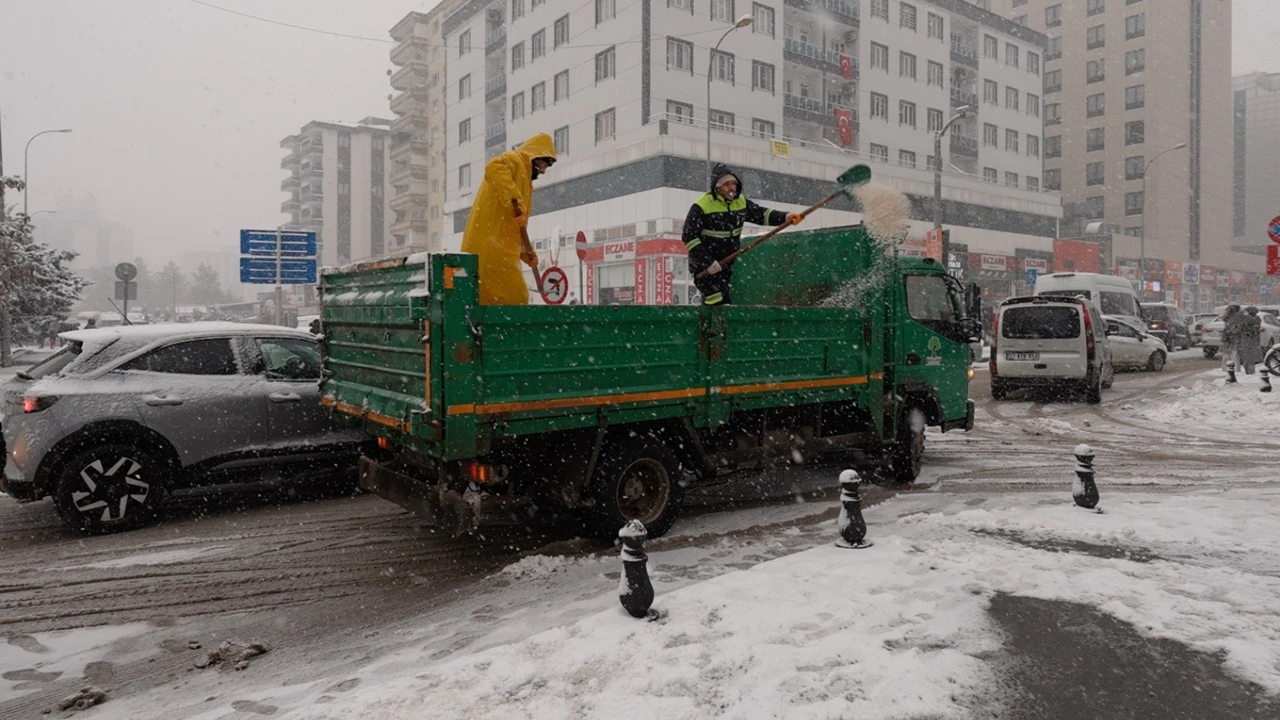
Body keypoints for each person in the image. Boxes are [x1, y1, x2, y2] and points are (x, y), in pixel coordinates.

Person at [683, 163, 802, 306]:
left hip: (726, 263)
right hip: (704, 267)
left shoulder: (741, 202)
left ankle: (714, 325)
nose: (732, 188)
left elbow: (761, 215)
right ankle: (713, 325)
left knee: (722, 300)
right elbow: (689, 237)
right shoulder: (702, 206)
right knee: (717, 299)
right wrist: (708, 262)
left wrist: (785, 217)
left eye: (733, 183)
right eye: (727, 184)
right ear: (717, 187)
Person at [460, 133, 558, 305]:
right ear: (535, 155)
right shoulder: (515, 161)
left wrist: (527, 253)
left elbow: (515, 227)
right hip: (492, 249)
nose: (544, 169)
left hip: (500, 250)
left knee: (504, 301)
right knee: (515, 300)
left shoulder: (524, 181)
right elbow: (493, 167)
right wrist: (515, 201)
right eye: (546, 162)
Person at [1220, 304, 1246, 383]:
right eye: (1231, 307)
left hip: (1235, 336)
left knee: (1235, 353)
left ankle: (1237, 369)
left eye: (1234, 307)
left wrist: (1233, 331)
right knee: (1225, 354)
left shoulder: (1240, 315)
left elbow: (1240, 326)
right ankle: (1224, 369)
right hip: (1227, 336)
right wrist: (1227, 311)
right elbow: (1223, 318)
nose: (1232, 309)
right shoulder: (1227, 315)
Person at [1239, 306, 1264, 375]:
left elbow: (1242, 328)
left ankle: (1250, 372)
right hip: (1252, 341)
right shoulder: (1257, 319)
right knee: (1250, 358)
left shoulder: (1247, 319)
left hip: (1247, 340)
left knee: (1248, 358)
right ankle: (1250, 372)